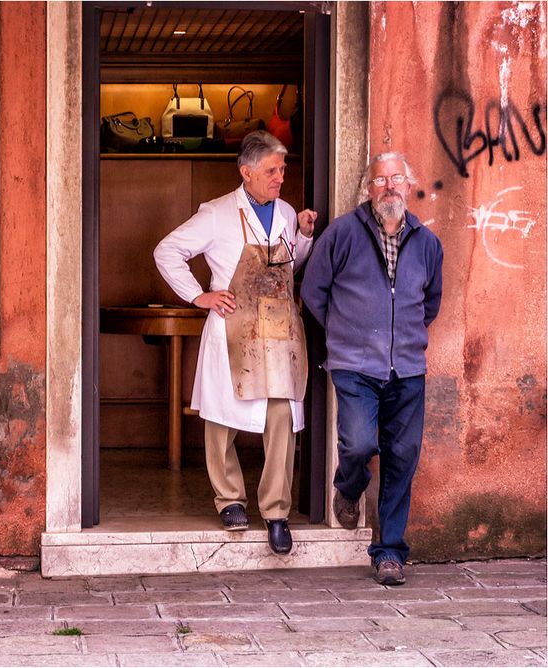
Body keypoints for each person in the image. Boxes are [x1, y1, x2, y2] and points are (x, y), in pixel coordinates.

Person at [154, 131, 317, 555]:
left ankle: (276, 512)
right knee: (222, 415)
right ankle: (229, 500)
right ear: (246, 172)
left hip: (278, 328)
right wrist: (198, 296)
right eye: (271, 170)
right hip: (232, 325)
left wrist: (302, 237)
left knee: (282, 413)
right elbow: (167, 251)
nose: (281, 177)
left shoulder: (285, 212)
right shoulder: (217, 213)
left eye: (282, 169)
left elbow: (289, 266)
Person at [300, 152, 443, 586]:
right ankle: (349, 487)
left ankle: (390, 553)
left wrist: (404, 337)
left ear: (409, 184)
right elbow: (312, 290)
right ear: (368, 189)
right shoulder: (342, 233)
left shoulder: (427, 243)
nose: (389, 187)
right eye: (380, 180)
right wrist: (345, 333)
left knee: (402, 458)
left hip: (408, 369)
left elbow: (429, 302)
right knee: (360, 443)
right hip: (355, 365)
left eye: (396, 178)